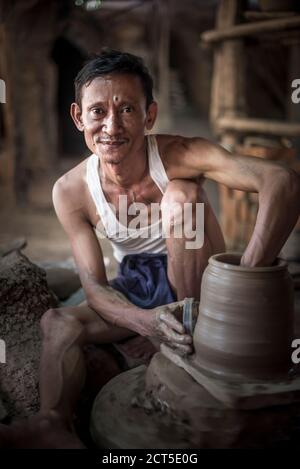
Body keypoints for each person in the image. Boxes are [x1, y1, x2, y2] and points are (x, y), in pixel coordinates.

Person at [4, 48, 298, 448]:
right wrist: (145, 321)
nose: (111, 125)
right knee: (58, 323)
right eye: (98, 112)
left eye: (127, 109)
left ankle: (198, 330)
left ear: (149, 116)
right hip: (137, 285)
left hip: (198, 281)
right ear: (78, 117)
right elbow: (93, 286)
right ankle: (51, 423)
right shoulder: (70, 191)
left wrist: (244, 276)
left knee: (183, 197)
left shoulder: (179, 155)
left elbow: (282, 181)